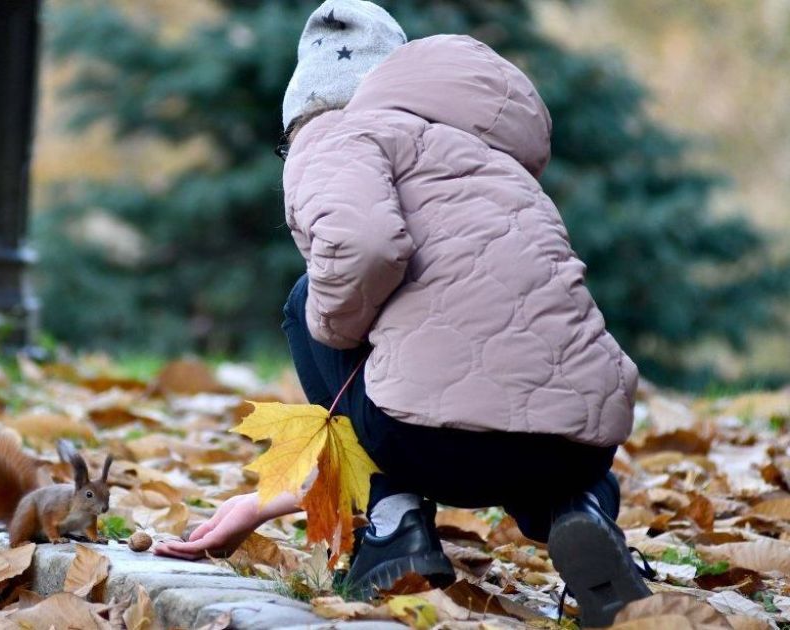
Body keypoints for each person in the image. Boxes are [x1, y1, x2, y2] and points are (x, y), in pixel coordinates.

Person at [154, 1, 653, 626]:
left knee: (311, 299)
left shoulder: (337, 131)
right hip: (582, 441)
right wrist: (259, 504)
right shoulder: (497, 166)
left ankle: (393, 523)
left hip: (430, 441)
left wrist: (337, 331)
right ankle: (583, 512)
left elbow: (362, 246)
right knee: (517, 376)